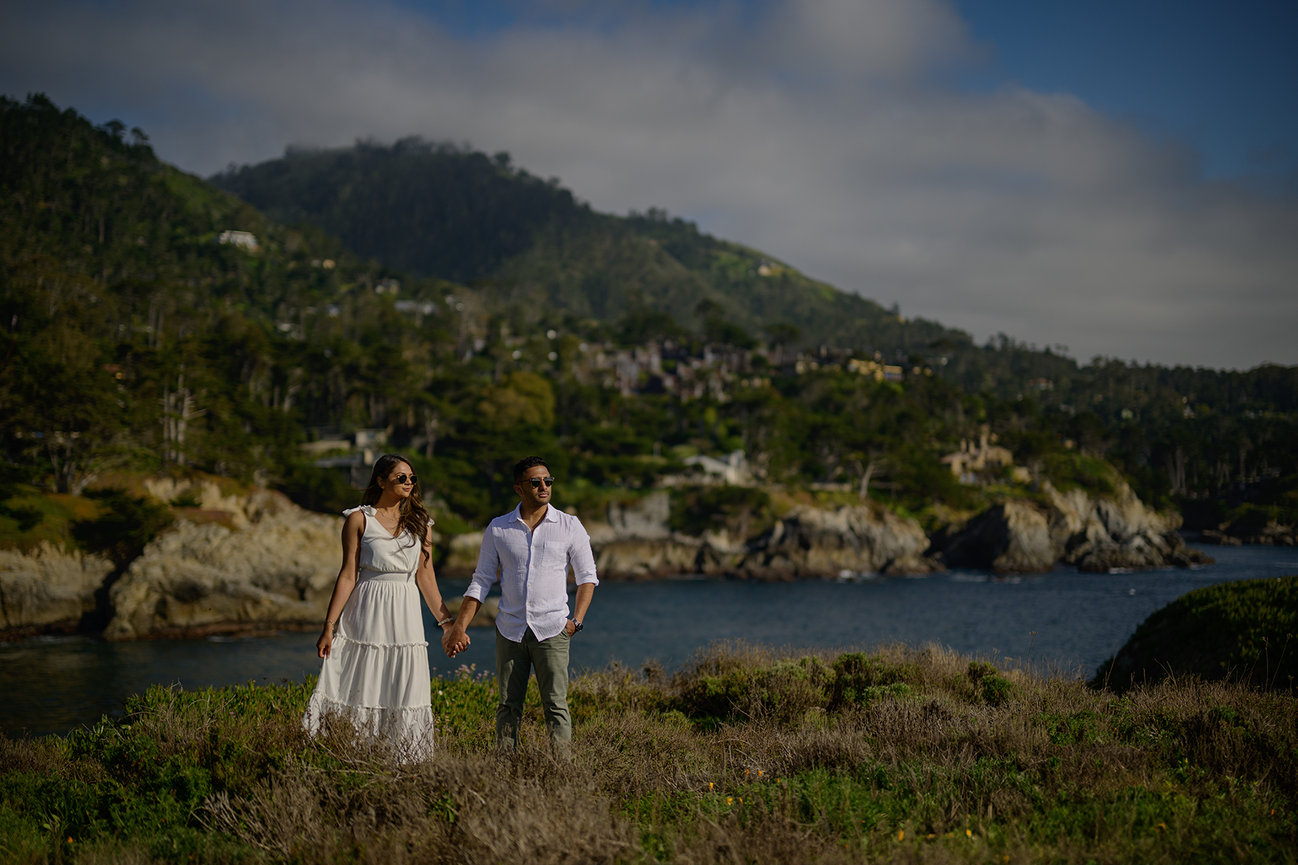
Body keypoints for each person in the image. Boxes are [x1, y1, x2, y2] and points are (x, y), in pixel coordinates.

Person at [303, 453, 467, 761]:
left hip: (405, 610)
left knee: (403, 682)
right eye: (401, 478)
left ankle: (405, 759)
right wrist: (329, 627)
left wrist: (448, 625)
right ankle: (352, 751)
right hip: (366, 608)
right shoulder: (358, 519)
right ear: (380, 481)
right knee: (361, 677)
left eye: (412, 478)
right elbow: (348, 574)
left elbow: (426, 578)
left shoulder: (421, 523)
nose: (408, 482)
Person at [441, 456, 597, 753]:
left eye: (548, 481)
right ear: (519, 488)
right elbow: (481, 580)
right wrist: (459, 627)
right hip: (509, 630)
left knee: (556, 704)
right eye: (535, 482)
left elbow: (587, 577)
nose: (543, 486)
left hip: (553, 629)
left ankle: (562, 770)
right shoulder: (498, 528)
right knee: (508, 705)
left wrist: (575, 621)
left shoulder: (569, 525)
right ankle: (504, 768)